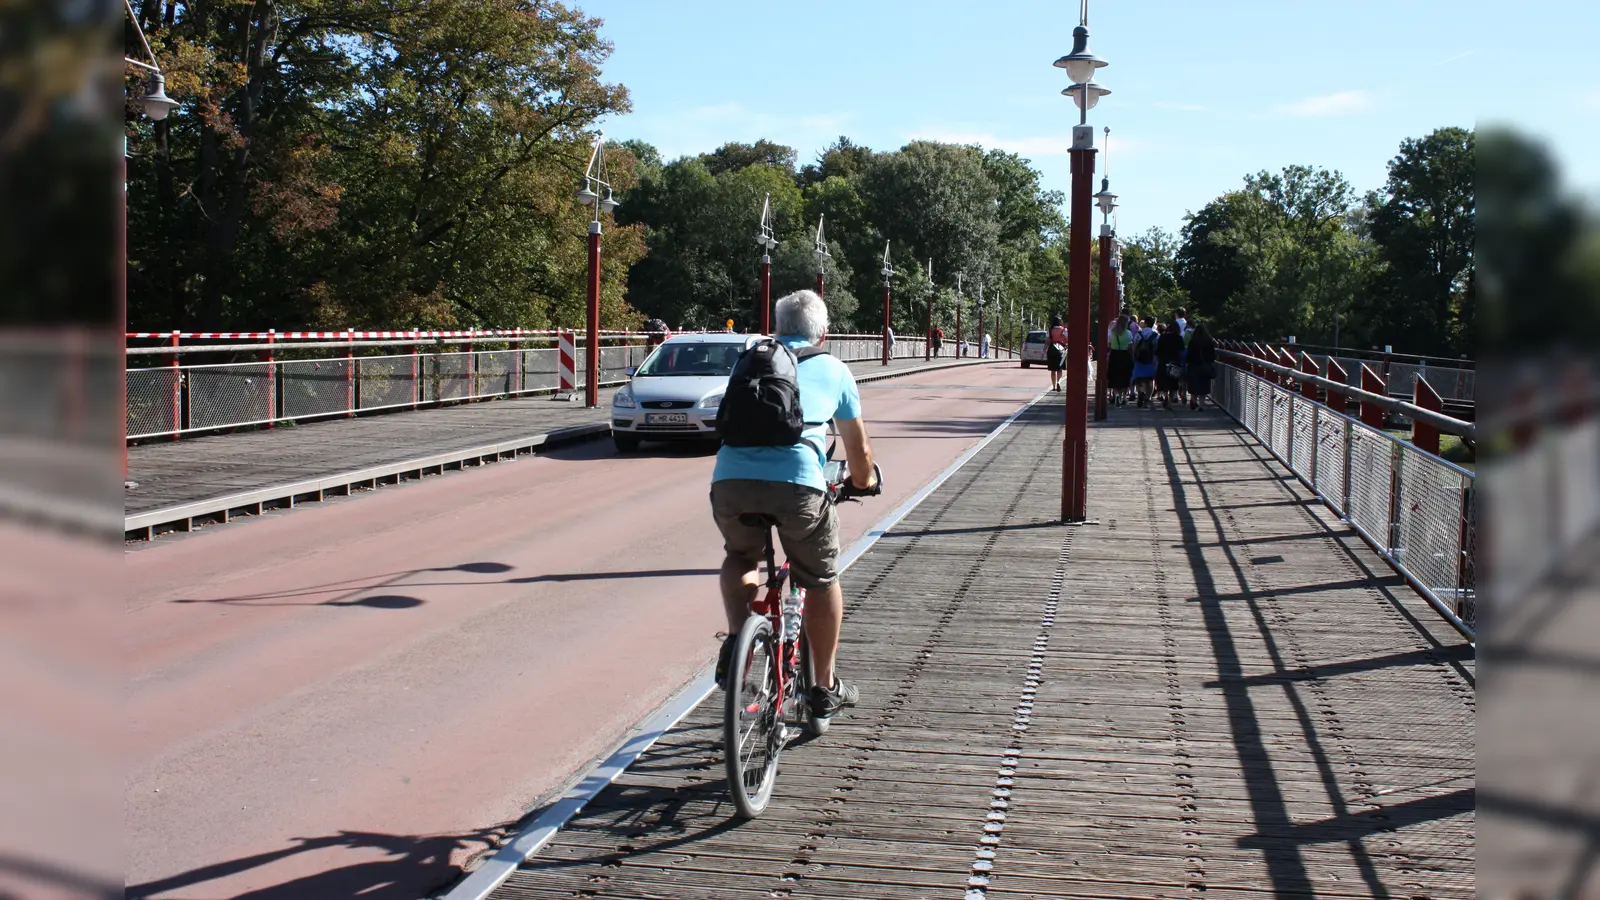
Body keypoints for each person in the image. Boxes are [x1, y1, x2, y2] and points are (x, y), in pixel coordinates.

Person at [711, 290, 878, 721]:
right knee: (821, 578)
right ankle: (824, 686)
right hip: (799, 487)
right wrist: (863, 481)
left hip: (730, 481)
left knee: (740, 555)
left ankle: (736, 638)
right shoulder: (834, 368)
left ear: (779, 327)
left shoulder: (748, 361)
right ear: (823, 333)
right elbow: (858, 451)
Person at [1185, 321, 1218, 409]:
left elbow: (1189, 354)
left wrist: (1187, 362)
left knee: (1193, 385)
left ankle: (1193, 401)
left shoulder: (1193, 341)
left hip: (1193, 366)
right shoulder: (1209, 341)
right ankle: (1202, 405)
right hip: (1205, 366)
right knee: (1203, 387)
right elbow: (1213, 355)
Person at [1155, 317, 1186, 409]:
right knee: (1173, 382)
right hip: (1174, 362)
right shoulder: (1179, 338)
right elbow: (1181, 351)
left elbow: (1158, 351)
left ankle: (1165, 396)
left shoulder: (1162, 337)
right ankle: (1170, 401)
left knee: (1164, 381)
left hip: (1163, 362)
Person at [1107, 314, 1135, 406]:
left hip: (1114, 355)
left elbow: (1109, 345)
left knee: (1114, 376)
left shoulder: (1112, 332)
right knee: (1125, 376)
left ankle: (1116, 395)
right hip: (1125, 355)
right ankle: (1123, 396)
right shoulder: (1128, 333)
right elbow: (1130, 347)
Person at [1129, 316, 1158, 406]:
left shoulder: (1139, 333)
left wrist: (1134, 356)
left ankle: (1140, 392)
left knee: (1139, 379)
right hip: (1151, 360)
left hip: (1139, 359)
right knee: (1149, 380)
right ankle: (1148, 397)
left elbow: (1134, 345)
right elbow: (1157, 347)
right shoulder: (1156, 334)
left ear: (1145, 323)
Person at [1046, 314, 1067, 392]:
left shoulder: (1050, 329)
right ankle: (1058, 382)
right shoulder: (1063, 329)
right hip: (1061, 349)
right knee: (1059, 368)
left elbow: (1048, 340)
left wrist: (1044, 350)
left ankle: (1054, 386)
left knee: (1052, 369)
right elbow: (1066, 338)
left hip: (1052, 348)